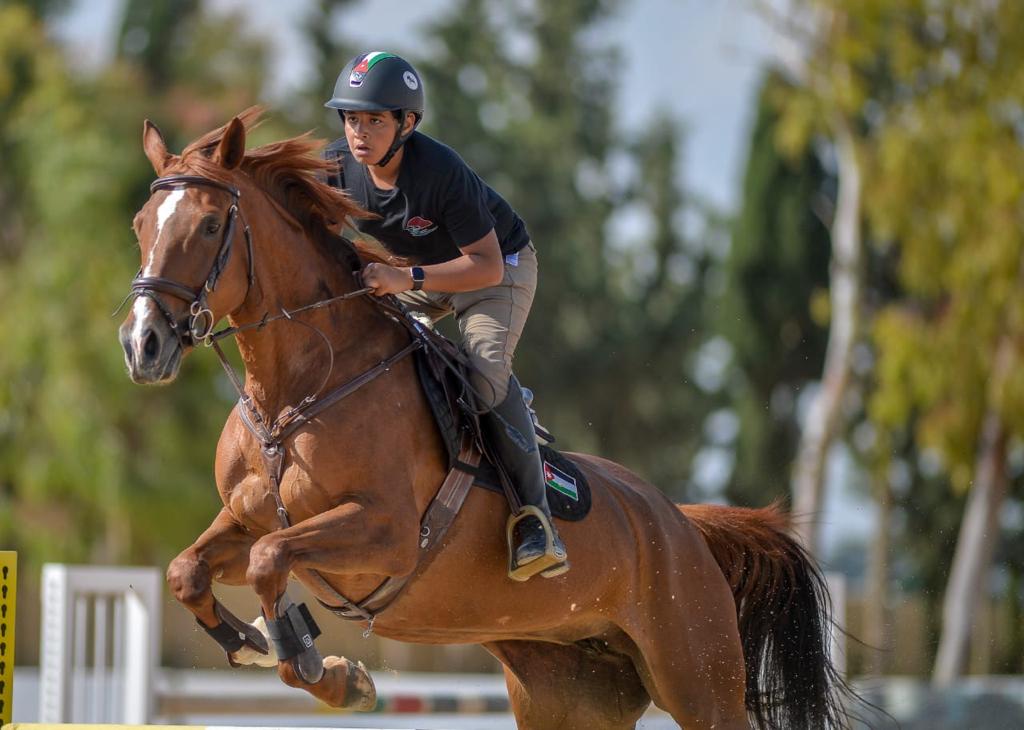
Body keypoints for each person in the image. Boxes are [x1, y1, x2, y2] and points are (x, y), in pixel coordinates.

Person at [322, 51, 568, 581]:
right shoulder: (338, 166)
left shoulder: (440, 172)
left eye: (374, 121)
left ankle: (535, 521)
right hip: (420, 270)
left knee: (480, 384)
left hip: (497, 270)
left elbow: (482, 266)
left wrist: (404, 280)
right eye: (350, 119)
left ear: (407, 124)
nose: (358, 133)